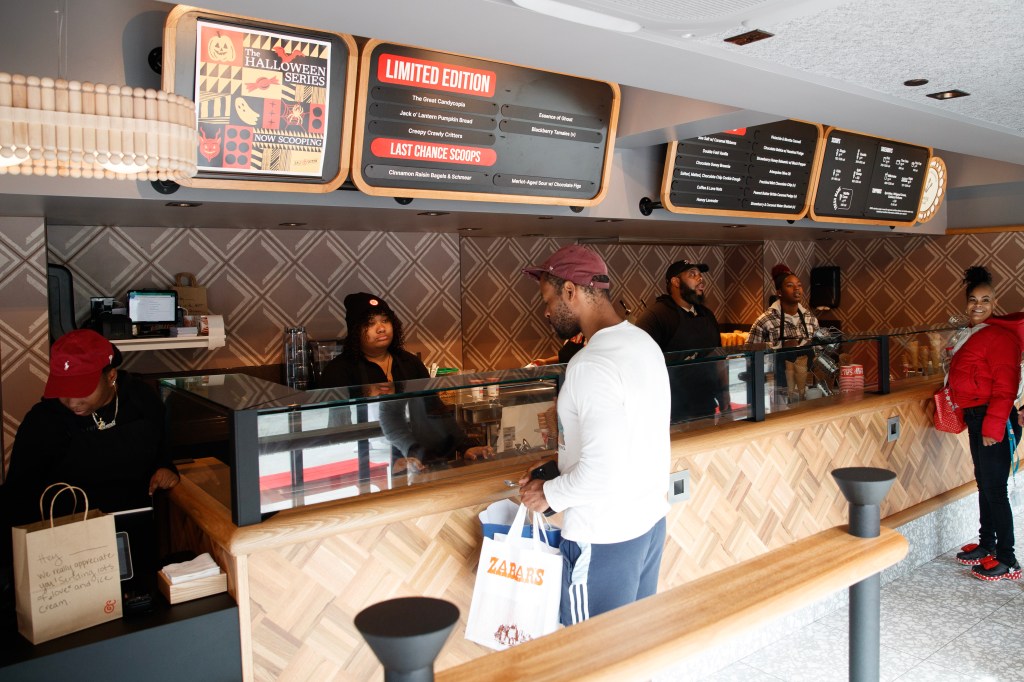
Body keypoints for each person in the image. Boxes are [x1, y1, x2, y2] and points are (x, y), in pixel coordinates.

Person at [518, 245, 670, 624]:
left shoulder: (590, 365)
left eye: (549, 299)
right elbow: (630, 438)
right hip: (647, 524)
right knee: (629, 649)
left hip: (604, 537)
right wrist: (560, 465)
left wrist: (548, 495)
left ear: (571, 291)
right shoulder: (643, 344)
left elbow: (602, 472)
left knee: (591, 653)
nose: (546, 311)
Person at [1, 330, 179, 594]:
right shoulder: (43, 422)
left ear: (111, 376)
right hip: (67, 549)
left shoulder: (141, 399)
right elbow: (18, 496)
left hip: (133, 535)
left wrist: (165, 466)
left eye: (81, 390)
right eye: (63, 391)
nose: (72, 402)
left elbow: (160, 444)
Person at [319, 292, 493, 473]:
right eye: (370, 323)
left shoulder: (410, 363)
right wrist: (385, 464)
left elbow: (436, 412)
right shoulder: (338, 371)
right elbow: (338, 436)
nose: (381, 328)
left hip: (420, 460)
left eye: (385, 321)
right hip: (369, 469)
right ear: (355, 330)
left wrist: (465, 446)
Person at [947, 266, 1024, 581]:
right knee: (986, 485)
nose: (978, 305)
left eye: (985, 300)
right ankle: (987, 545)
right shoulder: (973, 332)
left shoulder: (1000, 337)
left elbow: (1007, 388)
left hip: (996, 420)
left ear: (995, 303)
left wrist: (993, 428)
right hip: (978, 417)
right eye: (973, 300)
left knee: (995, 490)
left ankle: (1008, 559)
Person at [635, 259, 731, 421]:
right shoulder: (655, 316)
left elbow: (718, 359)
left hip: (705, 407)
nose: (700, 279)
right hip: (669, 412)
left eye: (700, 275)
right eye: (692, 274)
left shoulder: (706, 315)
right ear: (675, 281)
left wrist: (724, 392)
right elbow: (640, 365)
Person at [747, 265, 820, 397]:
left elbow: (818, 354)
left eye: (799, 284)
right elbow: (750, 357)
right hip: (776, 390)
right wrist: (778, 348)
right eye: (790, 285)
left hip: (807, 389)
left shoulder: (811, 319)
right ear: (779, 292)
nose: (796, 288)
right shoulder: (765, 321)